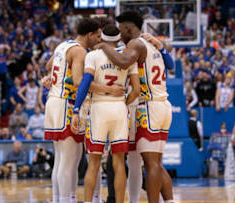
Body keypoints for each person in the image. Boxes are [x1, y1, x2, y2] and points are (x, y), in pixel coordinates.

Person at [95, 11, 174, 203]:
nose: (119, 34)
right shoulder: (152, 45)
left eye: (121, 29)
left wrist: (104, 46)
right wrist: (162, 47)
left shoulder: (135, 43)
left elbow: (123, 62)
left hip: (149, 106)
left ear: (129, 28)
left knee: (150, 163)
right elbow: (170, 64)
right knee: (155, 163)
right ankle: (169, 201)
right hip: (162, 105)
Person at [43, 18, 124, 203]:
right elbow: (80, 82)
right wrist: (110, 89)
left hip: (54, 101)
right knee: (69, 160)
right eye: (97, 36)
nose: (99, 39)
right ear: (89, 35)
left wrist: (49, 78)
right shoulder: (79, 51)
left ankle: (61, 199)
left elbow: (50, 67)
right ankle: (65, 199)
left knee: (62, 158)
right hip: (66, 103)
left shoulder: (63, 45)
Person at [71, 24, 140, 203]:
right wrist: (122, 102)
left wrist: (76, 110)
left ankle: (87, 202)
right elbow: (136, 91)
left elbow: (85, 83)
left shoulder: (93, 55)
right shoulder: (127, 57)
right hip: (119, 109)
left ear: (102, 38)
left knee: (93, 162)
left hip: (99, 108)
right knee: (118, 163)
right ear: (118, 39)